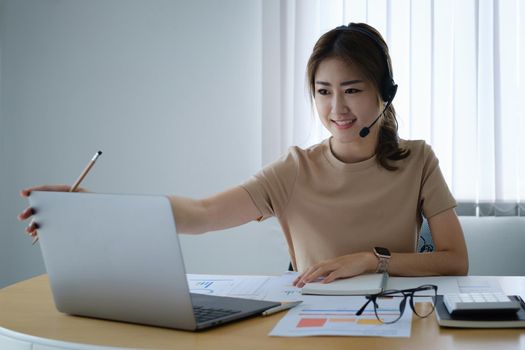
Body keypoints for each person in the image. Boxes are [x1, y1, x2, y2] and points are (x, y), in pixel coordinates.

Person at [18, 23, 468, 288]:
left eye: (352, 91)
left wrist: (372, 260)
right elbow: (202, 213)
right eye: (323, 92)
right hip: (310, 321)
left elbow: (454, 259)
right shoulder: (296, 169)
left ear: (384, 94)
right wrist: (94, 206)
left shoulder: (418, 160)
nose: (337, 110)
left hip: (394, 318)